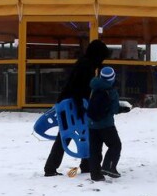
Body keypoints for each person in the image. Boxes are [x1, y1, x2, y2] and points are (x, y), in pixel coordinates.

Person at [44, 38, 111, 177]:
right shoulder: (87, 66)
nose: (102, 62)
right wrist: (81, 106)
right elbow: (79, 87)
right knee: (72, 134)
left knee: (73, 134)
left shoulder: (85, 63)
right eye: (102, 58)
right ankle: (52, 168)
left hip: (70, 104)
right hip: (72, 106)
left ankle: (81, 164)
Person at [86, 65, 123, 181]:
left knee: (95, 150)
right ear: (112, 78)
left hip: (92, 124)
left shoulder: (93, 87)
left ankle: (95, 175)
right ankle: (108, 167)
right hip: (106, 125)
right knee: (115, 145)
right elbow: (114, 109)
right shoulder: (111, 91)